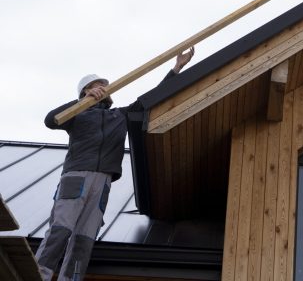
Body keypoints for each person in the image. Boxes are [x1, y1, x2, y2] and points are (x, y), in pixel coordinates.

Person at [35, 47, 195, 281]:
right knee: (61, 229)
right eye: (95, 86)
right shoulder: (77, 116)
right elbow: (50, 120)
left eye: (104, 85)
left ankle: (70, 279)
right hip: (76, 177)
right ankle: (39, 273)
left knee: (84, 238)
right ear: (84, 93)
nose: (102, 88)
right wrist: (84, 102)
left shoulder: (119, 116)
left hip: (103, 182)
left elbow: (152, 98)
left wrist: (176, 68)